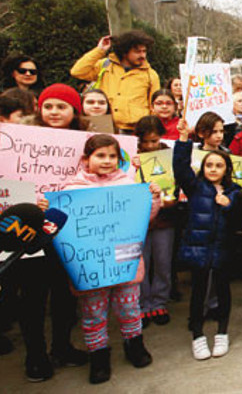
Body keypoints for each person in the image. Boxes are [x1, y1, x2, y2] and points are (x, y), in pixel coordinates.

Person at [60, 134, 161, 383]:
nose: (107, 161)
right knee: (93, 315)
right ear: (86, 159)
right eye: (100, 155)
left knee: (129, 308)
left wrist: (153, 198)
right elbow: (62, 226)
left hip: (125, 261)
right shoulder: (72, 188)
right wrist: (47, 209)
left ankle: (134, 345)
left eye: (112, 156)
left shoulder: (128, 183)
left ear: (120, 158)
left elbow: (143, 219)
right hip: (91, 265)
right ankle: (99, 357)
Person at [6, 84, 89, 382]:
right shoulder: (18, 140)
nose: (54, 112)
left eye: (62, 107)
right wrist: (31, 201)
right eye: (49, 106)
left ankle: (63, 347)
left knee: (65, 296)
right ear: (39, 108)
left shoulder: (85, 143)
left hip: (69, 231)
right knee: (33, 298)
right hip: (29, 232)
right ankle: (36, 356)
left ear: (74, 111)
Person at [173, 118, 241, 360]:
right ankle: (198, 335)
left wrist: (230, 203)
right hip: (198, 250)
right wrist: (183, 140)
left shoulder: (233, 191)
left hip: (223, 250)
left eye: (218, 166)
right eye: (209, 165)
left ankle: (222, 332)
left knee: (223, 290)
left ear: (226, 170)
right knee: (199, 292)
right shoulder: (196, 187)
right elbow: (181, 169)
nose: (213, 169)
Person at [133, 116, 176, 329]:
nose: (150, 146)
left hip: (164, 220)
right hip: (137, 220)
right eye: (145, 142)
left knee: (163, 261)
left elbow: (177, 185)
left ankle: (159, 302)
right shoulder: (129, 157)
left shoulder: (168, 157)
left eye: (154, 140)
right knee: (142, 263)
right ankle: (141, 305)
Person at [70, 31, 159, 132]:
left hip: (134, 130)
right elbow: (77, 71)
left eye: (144, 51)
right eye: (137, 52)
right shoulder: (105, 65)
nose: (142, 55)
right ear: (124, 52)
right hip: (103, 125)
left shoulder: (151, 75)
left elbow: (154, 106)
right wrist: (100, 50)